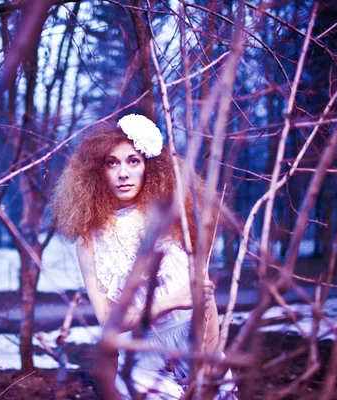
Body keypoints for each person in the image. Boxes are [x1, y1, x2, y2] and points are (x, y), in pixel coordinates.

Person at [50, 114, 237, 399]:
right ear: (97, 173)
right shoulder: (88, 241)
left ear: (150, 168)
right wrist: (170, 302)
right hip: (139, 357)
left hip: (195, 341)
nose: (123, 173)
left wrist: (211, 354)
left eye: (133, 161)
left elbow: (205, 297)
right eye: (112, 163)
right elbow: (108, 321)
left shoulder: (175, 217)